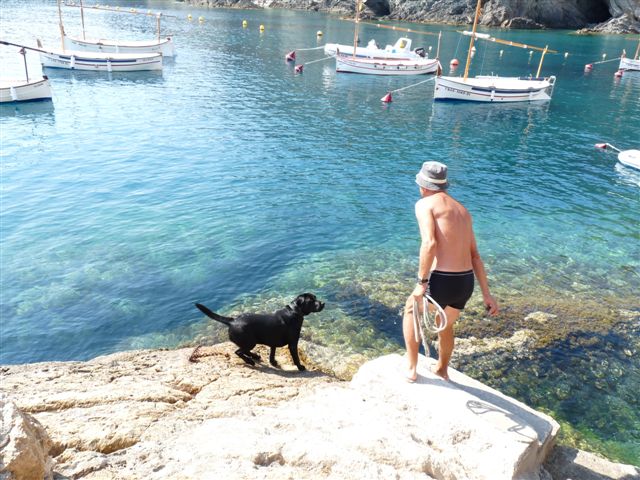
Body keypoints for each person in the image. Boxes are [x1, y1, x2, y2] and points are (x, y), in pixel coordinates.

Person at [403, 161, 499, 382]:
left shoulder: (425, 204)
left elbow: (429, 243)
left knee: (410, 311)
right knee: (444, 324)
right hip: (465, 282)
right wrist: (487, 294)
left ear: (423, 185)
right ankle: (442, 369)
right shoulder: (462, 211)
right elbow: (475, 256)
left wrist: (421, 283)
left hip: (442, 279)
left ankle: (411, 369)